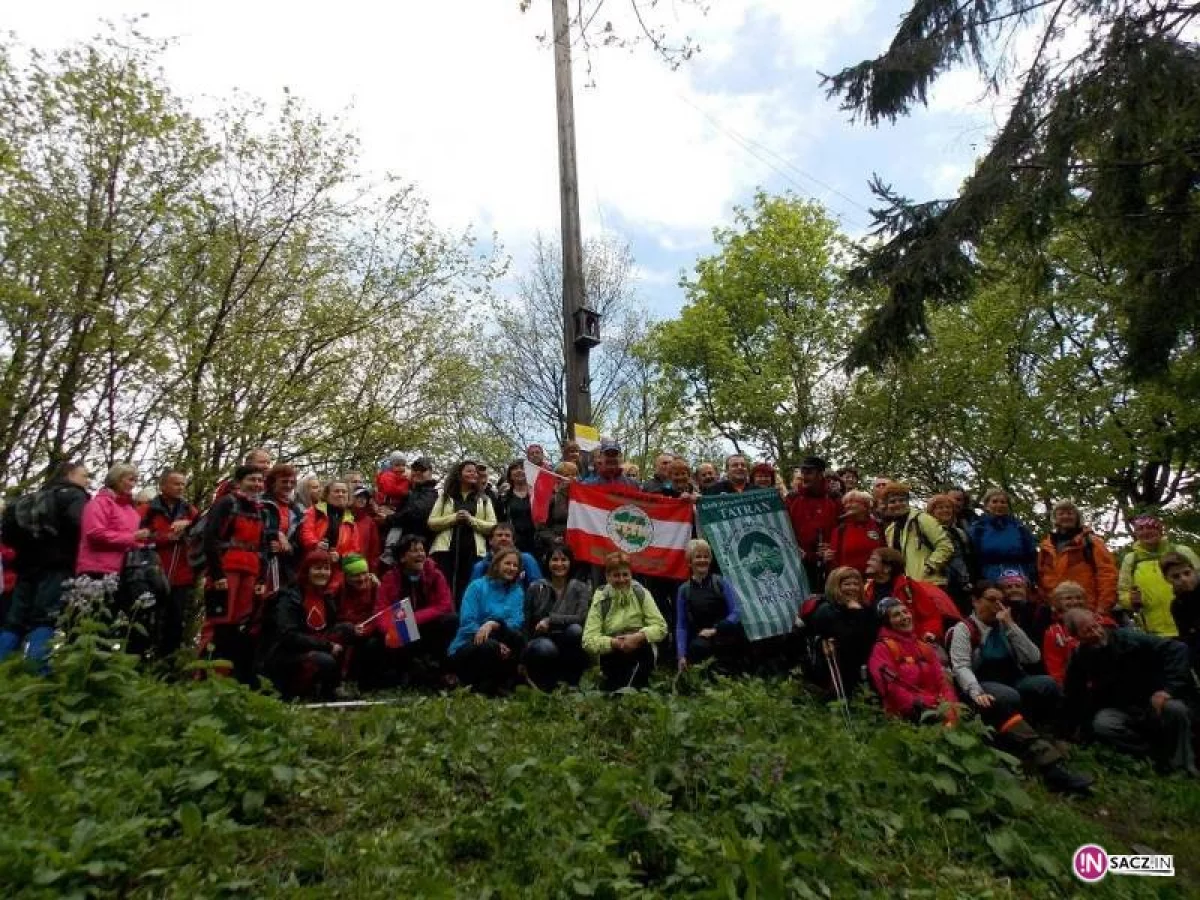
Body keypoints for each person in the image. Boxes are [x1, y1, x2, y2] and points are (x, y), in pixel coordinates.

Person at [1064, 608, 1197, 774]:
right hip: (1122, 707)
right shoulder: (1080, 657)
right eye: (1087, 631)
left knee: (1176, 710)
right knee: (1103, 724)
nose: (1096, 633)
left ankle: (1182, 765)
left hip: (1153, 698)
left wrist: (1168, 690)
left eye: (1095, 626)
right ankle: (1153, 755)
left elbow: (1177, 649)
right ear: (1077, 637)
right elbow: (1074, 693)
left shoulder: (1129, 638)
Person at [0, 461, 91, 669]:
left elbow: (8, 534)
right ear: (69, 474)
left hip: (25, 565)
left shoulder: (31, 498)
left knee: (16, 618)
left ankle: (3, 669)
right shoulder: (74, 495)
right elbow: (80, 526)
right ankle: (37, 670)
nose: (87, 481)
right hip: (57, 565)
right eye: (84, 476)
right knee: (46, 616)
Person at [947, 581, 1063, 730]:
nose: (997, 605)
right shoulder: (964, 629)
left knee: (1047, 684)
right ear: (975, 601)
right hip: (982, 681)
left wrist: (1011, 626)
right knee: (1009, 696)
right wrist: (976, 692)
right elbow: (961, 667)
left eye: (1001, 601)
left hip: (1014, 678)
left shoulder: (1005, 624)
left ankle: (1046, 729)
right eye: (991, 600)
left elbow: (1033, 657)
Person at [198, 465, 268, 684]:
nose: (257, 484)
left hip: (250, 570)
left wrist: (262, 578)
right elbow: (210, 538)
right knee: (218, 622)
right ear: (239, 481)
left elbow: (263, 546)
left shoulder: (259, 509)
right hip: (226, 569)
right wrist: (217, 574)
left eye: (260, 480)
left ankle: (227, 676)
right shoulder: (227, 503)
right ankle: (203, 675)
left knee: (239, 624)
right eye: (252, 480)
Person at [261, 549, 351, 701]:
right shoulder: (289, 598)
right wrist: (327, 646)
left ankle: (333, 686)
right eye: (317, 568)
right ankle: (305, 691)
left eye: (326, 568)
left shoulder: (327, 598)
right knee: (325, 659)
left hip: (314, 646)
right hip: (288, 655)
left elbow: (329, 628)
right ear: (306, 570)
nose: (322, 573)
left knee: (347, 630)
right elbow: (288, 636)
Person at [375, 535, 459, 686]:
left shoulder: (436, 575)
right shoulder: (390, 578)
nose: (420, 554)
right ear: (402, 558)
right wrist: (391, 629)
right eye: (414, 551)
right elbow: (381, 611)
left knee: (451, 620)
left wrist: (412, 619)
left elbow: (445, 605)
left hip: (427, 628)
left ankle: (444, 671)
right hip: (401, 632)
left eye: (422, 550)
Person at [582, 552, 667, 691]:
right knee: (616, 687)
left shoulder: (641, 593)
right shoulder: (600, 599)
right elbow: (588, 640)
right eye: (616, 575)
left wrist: (639, 637)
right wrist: (614, 643)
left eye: (625, 574)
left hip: (640, 646)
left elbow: (661, 627)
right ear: (607, 576)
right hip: (612, 650)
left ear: (631, 575)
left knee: (636, 682)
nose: (621, 579)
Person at [448, 548, 526, 694]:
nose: (512, 568)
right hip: (469, 642)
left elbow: (516, 621)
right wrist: (494, 640)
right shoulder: (477, 586)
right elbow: (467, 621)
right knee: (489, 647)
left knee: (519, 639)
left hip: (502, 637)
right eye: (507, 563)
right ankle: (479, 685)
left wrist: (493, 624)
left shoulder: (517, 591)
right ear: (496, 565)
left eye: (515, 565)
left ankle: (503, 683)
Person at [869, 598, 957, 722]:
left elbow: (942, 680)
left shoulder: (923, 645)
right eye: (896, 615)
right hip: (909, 715)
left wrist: (950, 706)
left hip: (937, 707)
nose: (904, 617)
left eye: (905, 612)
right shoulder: (882, 649)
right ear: (887, 622)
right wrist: (924, 705)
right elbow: (891, 690)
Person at [140, 469, 198, 659]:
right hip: (153, 572)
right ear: (163, 486)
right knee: (148, 618)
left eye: (183, 484)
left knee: (175, 621)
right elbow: (136, 538)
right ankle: (141, 661)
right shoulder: (147, 510)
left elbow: (202, 535)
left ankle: (167, 666)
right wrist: (165, 537)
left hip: (181, 574)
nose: (180, 488)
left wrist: (188, 526)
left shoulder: (190, 511)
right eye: (176, 484)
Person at [521, 543, 590, 690]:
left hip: (568, 639)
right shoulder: (535, 587)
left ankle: (572, 684)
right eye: (555, 560)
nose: (559, 564)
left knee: (576, 630)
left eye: (564, 560)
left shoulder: (580, 588)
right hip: (541, 639)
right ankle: (545, 685)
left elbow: (581, 617)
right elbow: (526, 620)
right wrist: (524, 652)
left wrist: (550, 620)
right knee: (545, 648)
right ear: (548, 563)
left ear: (571, 562)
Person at [1117, 515, 1199, 636]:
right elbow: (1122, 592)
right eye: (1140, 529)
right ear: (1136, 534)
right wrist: (1131, 600)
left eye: (1151, 527)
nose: (1146, 532)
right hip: (1155, 631)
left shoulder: (1182, 551)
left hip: (1192, 624)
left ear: (1160, 530)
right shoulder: (1131, 559)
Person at [429, 460, 497, 605]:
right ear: (459, 474)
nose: (473, 474)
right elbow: (432, 522)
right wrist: (454, 518)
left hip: (474, 551)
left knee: (469, 589)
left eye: (475, 472)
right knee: (444, 589)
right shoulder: (445, 497)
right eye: (469, 471)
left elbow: (492, 526)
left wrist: (470, 519)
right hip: (445, 552)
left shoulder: (484, 499)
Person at [675, 539, 746, 674]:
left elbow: (736, 612)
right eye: (698, 556)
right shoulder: (684, 590)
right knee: (697, 649)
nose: (703, 560)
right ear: (690, 562)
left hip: (724, 635)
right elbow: (681, 626)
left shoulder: (721, 582)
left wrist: (715, 630)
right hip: (701, 640)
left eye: (706, 556)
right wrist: (681, 655)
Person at [1037, 500, 1118, 613]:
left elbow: (1107, 574)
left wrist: (1103, 607)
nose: (1066, 516)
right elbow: (1042, 578)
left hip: (1087, 609)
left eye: (1070, 513)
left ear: (1077, 517)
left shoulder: (1091, 542)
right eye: (1061, 514)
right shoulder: (1046, 547)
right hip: (1056, 611)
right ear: (1055, 519)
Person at [863, 548, 956, 644]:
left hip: (912, 646)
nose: (868, 562)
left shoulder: (908, 587)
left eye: (873, 560)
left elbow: (931, 617)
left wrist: (928, 634)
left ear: (887, 568)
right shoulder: (866, 590)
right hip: (880, 648)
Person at [808, 566, 877, 696]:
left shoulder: (866, 608)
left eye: (856, 584)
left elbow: (872, 636)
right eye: (847, 584)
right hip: (840, 666)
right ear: (836, 586)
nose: (853, 588)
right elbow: (847, 638)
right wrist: (855, 613)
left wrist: (859, 612)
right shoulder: (826, 610)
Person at [879, 482, 953, 587]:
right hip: (906, 587)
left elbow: (945, 545)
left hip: (930, 584)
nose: (897, 504)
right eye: (892, 501)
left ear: (907, 501)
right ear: (887, 505)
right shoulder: (890, 530)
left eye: (901, 500)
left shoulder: (922, 519)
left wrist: (929, 567)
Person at [786, 456, 843, 592]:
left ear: (820, 474)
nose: (804, 476)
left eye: (809, 472)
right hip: (798, 564)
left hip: (828, 564)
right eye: (803, 472)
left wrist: (832, 546)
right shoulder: (792, 498)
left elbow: (843, 529)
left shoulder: (835, 498)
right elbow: (781, 528)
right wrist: (793, 547)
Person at [968, 488, 1038, 585]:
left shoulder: (1019, 527)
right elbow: (971, 557)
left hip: (1020, 578)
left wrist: (1031, 577)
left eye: (1003, 502)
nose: (999, 505)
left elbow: (1031, 555)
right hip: (989, 579)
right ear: (986, 505)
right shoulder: (978, 528)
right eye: (995, 502)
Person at [298, 482, 360, 578]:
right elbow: (306, 531)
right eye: (336, 491)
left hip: (336, 568)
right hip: (313, 563)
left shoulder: (350, 519)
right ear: (327, 494)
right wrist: (315, 544)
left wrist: (340, 557)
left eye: (344, 492)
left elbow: (354, 548)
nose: (340, 494)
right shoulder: (315, 511)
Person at [925, 494, 974, 614]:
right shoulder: (925, 532)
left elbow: (968, 557)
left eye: (948, 507)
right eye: (940, 508)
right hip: (939, 581)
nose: (945, 510)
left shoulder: (960, 532)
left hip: (962, 582)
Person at [383, 457, 438, 555]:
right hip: (401, 547)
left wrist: (388, 518)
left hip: (419, 548)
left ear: (430, 473)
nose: (418, 472)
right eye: (415, 469)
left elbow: (415, 513)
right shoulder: (409, 492)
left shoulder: (431, 493)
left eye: (422, 470)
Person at [261, 464, 302, 595]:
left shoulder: (295, 510)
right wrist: (275, 535)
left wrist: (289, 548)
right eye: (284, 482)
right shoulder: (262, 504)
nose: (289, 485)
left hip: (286, 566)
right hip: (263, 562)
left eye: (292, 482)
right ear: (273, 482)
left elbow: (298, 538)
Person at [827, 490, 886, 576]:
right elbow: (833, 560)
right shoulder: (840, 530)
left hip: (876, 578)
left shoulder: (879, 526)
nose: (847, 506)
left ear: (865, 505)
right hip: (850, 580)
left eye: (852, 502)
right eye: (845, 503)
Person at [1042, 581, 1089, 686]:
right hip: (1073, 685)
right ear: (1058, 603)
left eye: (1078, 598)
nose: (1075, 602)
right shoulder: (1053, 632)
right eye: (1068, 598)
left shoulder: (1098, 621)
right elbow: (1054, 667)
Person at [469, 522, 543, 588]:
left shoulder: (526, 559)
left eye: (507, 536)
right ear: (490, 541)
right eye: (499, 535)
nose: (503, 538)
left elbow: (539, 589)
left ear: (513, 541)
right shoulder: (480, 567)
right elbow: (473, 594)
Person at [1161, 551, 1200, 675]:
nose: (1183, 579)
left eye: (1187, 573)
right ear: (1167, 579)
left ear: (1194, 571)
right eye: (1176, 576)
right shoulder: (1177, 606)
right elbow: (1188, 639)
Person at [535, 461, 576, 557]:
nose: (570, 478)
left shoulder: (583, 498)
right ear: (558, 479)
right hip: (558, 548)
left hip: (579, 545)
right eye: (566, 475)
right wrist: (553, 538)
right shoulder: (551, 499)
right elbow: (541, 528)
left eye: (574, 474)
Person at [497, 461, 537, 554]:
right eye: (515, 468)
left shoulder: (537, 495)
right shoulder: (504, 497)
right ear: (510, 475)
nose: (519, 470)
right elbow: (500, 521)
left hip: (536, 542)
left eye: (522, 468)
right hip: (512, 543)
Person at [350, 487, 382, 572]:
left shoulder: (370, 522)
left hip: (363, 569)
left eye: (364, 497)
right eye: (358, 496)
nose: (362, 499)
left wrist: (372, 570)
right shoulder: (343, 517)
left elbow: (374, 549)